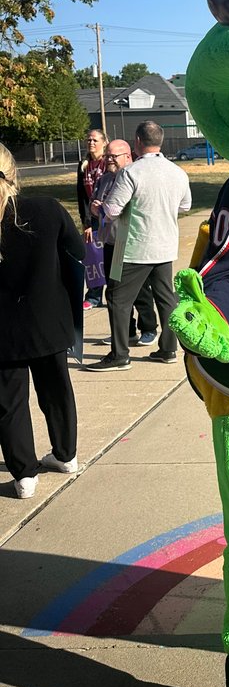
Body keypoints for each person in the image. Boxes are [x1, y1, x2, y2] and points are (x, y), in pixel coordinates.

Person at [0, 144, 85, 498]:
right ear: (15, 174)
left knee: (8, 401)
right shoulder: (46, 209)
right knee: (56, 390)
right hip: (49, 318)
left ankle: (24, 474)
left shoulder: (39, 211)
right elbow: (76, 255)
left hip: (4, 328)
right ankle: (66, 454)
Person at [86, 120, 191, 371]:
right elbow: (185, 206)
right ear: (161, 141)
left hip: (134, 247)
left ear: (137, 142)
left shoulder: (131, 173)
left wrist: (100, 208)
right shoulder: (177, 172)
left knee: (117, 298)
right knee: (166, 299)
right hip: (165, 245)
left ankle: (120, 354)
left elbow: (112, 209)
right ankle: (168, 349)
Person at [89, 140, 158, 348]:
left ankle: (149, 329)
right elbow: (97, 206)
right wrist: (95, 209)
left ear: (128, 156)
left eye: (113, 156)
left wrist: (108, 209)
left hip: (131, 242)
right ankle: (125, 331)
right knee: (114, 292)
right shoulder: (105, 179)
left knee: (139, 291)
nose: (108, 160)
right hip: (112, 242)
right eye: (107, 156)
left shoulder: (135, 176)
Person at [76, 127, 108, 308]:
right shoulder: (84, 165)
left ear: (104, 142)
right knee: (93, 256)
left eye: (95, 140)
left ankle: (113, 292)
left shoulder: (107, 163)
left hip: (109, 216)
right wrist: (86, 222)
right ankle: (94, 296)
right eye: (89, 140)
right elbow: (81, 195)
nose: (91, 143)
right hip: (92, 218)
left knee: (108, 255)